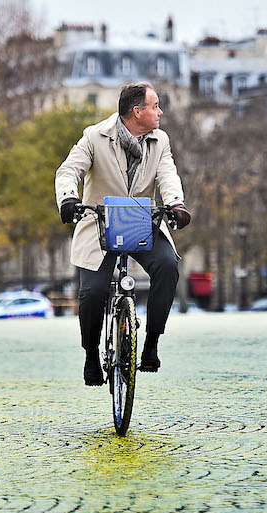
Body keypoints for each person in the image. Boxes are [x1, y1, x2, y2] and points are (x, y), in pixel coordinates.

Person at [55, 81, 191, 386]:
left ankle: (152, 343)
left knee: (168, 266)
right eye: (155, 106)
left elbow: (168, 174)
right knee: (93, 293)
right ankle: (91, 353)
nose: (160, 112)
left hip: (140, 221)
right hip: (100, 222)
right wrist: (67, 198)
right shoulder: (94, 136)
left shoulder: (160, 140)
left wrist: (175, 203)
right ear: (137, 111)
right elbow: (69, 171)